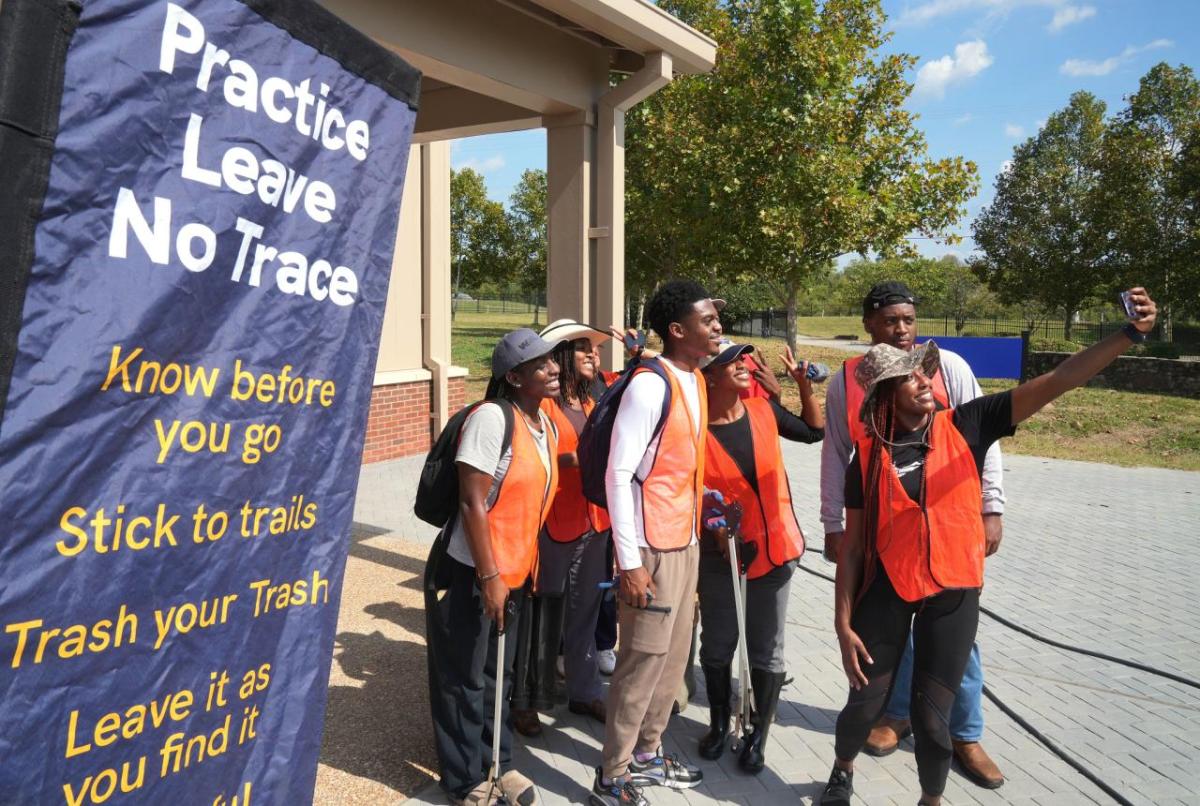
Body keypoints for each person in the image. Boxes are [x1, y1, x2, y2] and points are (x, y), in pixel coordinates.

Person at [820, 287, 1158, 806]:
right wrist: (843, 624)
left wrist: (1129, 334)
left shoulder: (968, 424)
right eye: (910, 376)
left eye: (923, 371)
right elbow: (856, 551)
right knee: (862, 706)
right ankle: (841, 770)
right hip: (888, 588)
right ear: (885, 393)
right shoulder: (865, 458)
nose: (924, 380)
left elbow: (1060, 380)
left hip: (953, 593)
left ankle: (931, 800)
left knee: (933, 722)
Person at [819, 281, 1006, 788]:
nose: (901, 329)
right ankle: (897, 717)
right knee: (891, 634)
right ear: (869, 327)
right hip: (889, 533)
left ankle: (965, 734)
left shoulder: (952, 369)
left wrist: (993, 506)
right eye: (889, 320)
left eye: (908, 319)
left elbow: (985, 444)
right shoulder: (849, 380)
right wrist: (833, 522)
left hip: (950, 534)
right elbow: (838, 452)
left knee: (953, 648)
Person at [592, 281, 723, 806]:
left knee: (670, 660)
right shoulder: (651, 384)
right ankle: (611, 776)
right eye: (707, 319)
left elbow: (672, 462)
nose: (717, 325)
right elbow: (618, 475)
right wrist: (630, 562)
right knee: (641, 661)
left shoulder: (695, 379)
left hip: (682, 540)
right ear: (677, 330)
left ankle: (647, 754)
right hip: (648, 548)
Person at [425, 328, 562, 806]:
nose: (555, 369)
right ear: (514, 376)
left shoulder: (543, 423)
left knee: (497, 676)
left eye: (553, 361)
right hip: (474, 574)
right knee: (464, 679)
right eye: (542, 364)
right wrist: (489, 579)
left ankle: (498, 763)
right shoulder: (491, 419)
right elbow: (470, 501)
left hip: (516, 574)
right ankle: (464, 779)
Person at [696, 342, 824, 773]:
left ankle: (758, 734)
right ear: (708, 375)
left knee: (767, 651)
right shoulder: (692, 429)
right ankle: (718, 724)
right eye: (730, 362)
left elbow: (814, 431)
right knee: (717, 644)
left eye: (742, 360)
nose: (742, 366)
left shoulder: (763, 411)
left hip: (776, 551)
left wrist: (804, 387)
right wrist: (710, 529)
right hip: (721, 558)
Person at [527, 320, 616, 728]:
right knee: (543, 616)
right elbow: (538, 460)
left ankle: (585, 692)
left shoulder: (592, 404)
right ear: (561, 355)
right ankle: (529, 697)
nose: (592, 355)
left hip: (595, 525)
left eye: (595, 350)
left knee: (585, 612)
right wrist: (580, 462)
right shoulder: (543, 406)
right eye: (582, 348)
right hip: (554, 528)